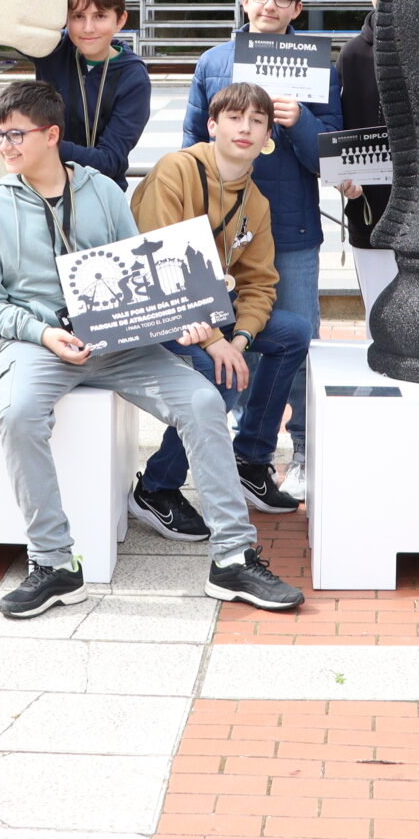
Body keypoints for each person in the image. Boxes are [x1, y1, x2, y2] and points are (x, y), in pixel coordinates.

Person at [0, 80, 303, 618]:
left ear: (51, 136)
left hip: (122, 344)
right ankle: (54, 563)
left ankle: (233, 557)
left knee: (202, 402)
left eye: (15, 135)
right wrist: (42, 333)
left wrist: (193, 321)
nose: (4, 145)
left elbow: (142, 270)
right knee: (18, 411)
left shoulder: (102, 191)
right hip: (41, 345)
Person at [128, 82, 313, 531]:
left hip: (208, 312)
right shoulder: (177, 171)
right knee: (220, 373)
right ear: (212, 125)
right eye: (234, 118)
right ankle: (156, 487)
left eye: (256, 121)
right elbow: (160, 266)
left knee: (292, 333)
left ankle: (249, 459)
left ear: (269, 134)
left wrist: (242, 336)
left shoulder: (256, 201)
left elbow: (260, 283)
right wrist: (217, 342)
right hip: (154, 309)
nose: (245, 128)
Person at [183, 0, 341, 466]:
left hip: (291, 228)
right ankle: (240, 448)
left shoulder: (320, 67)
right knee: (233, 336)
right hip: (221, 232)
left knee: (297, 342)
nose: (270, 5)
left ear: (298, 8)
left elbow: (330, 160)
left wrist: (298, 122)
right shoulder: (214, 62)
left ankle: (304, 454)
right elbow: (191, 145)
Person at [338, 0, 415, 327]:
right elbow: (344, 130)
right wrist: (344, 179)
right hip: (370, 210)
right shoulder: (352, 55)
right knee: (379, 324)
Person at [27, 0, 150, 187]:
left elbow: (110, 161)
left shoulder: (133, 78)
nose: (88, 28)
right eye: (78, 16)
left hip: (100, 195)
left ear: (120, 20)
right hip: (42, 188)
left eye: (100, 16)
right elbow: (9, 21)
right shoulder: (52, 48)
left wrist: (42, 142)